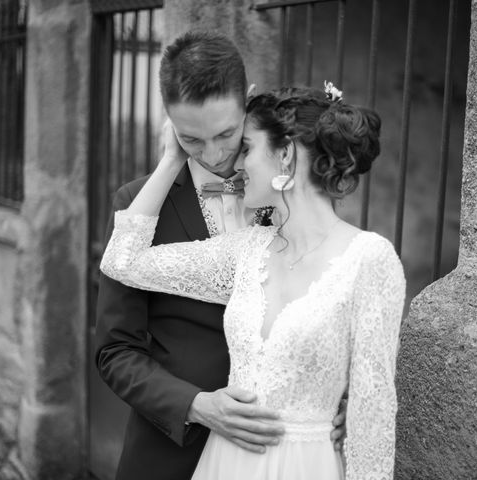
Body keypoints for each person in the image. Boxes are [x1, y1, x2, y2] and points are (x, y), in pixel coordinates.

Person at [100, 84, 406, 479]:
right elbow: (122, 260)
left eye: (246, 148)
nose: (235, 164)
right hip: (224, 462)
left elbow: (374, 424)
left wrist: (342, 399)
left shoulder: (370, 259)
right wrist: (173, 157)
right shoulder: (247, 250)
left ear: (285, 154)